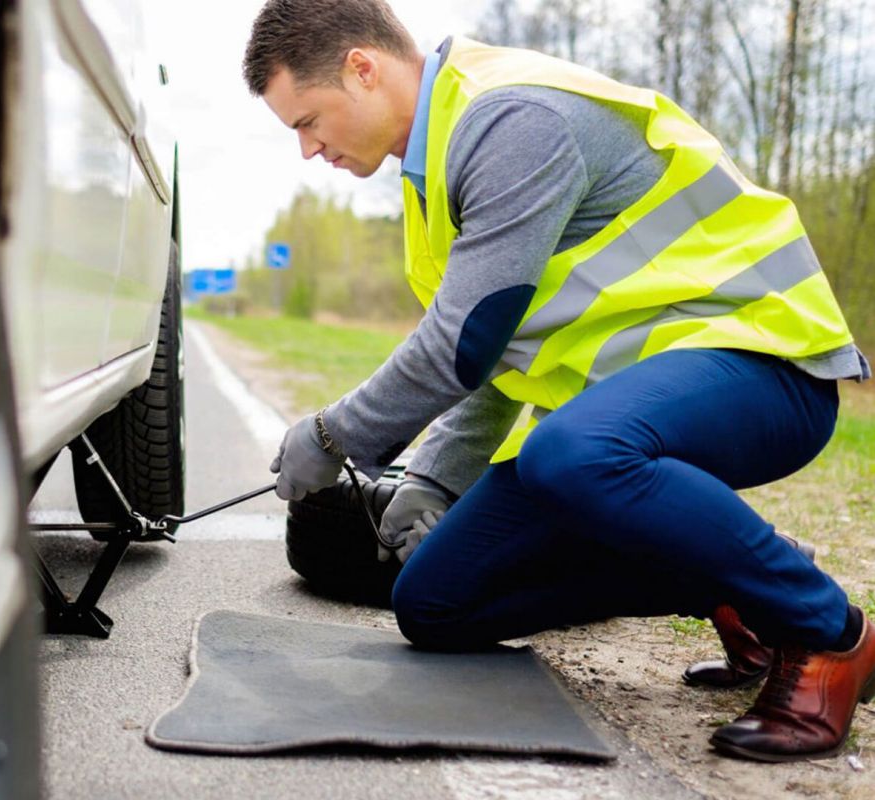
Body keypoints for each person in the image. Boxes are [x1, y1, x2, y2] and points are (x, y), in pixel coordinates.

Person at [245, 0, 873, 763]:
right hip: (629, 417)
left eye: (306, 121)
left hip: (766, 368)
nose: (309, 150)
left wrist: (332, 434)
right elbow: (501, 353)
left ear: (362, 69)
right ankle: (738, 583)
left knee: (567, 455)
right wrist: (435, 480)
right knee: (435, 603)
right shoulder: (433, 171)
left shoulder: (510, 121)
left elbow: (463, 340)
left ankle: (828, 632)